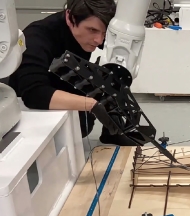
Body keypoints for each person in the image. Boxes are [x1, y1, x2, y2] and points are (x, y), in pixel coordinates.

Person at [7, 0, 134, 145]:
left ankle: (111, 133)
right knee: (80, 126)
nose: (99, 40)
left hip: (63, 82)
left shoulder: (88, 31)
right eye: (92, 30)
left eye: (104, 33)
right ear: (70, 17)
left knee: (114, 74)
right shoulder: (37, 37)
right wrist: (93, 105)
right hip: (29, 105)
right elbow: (34, 93)